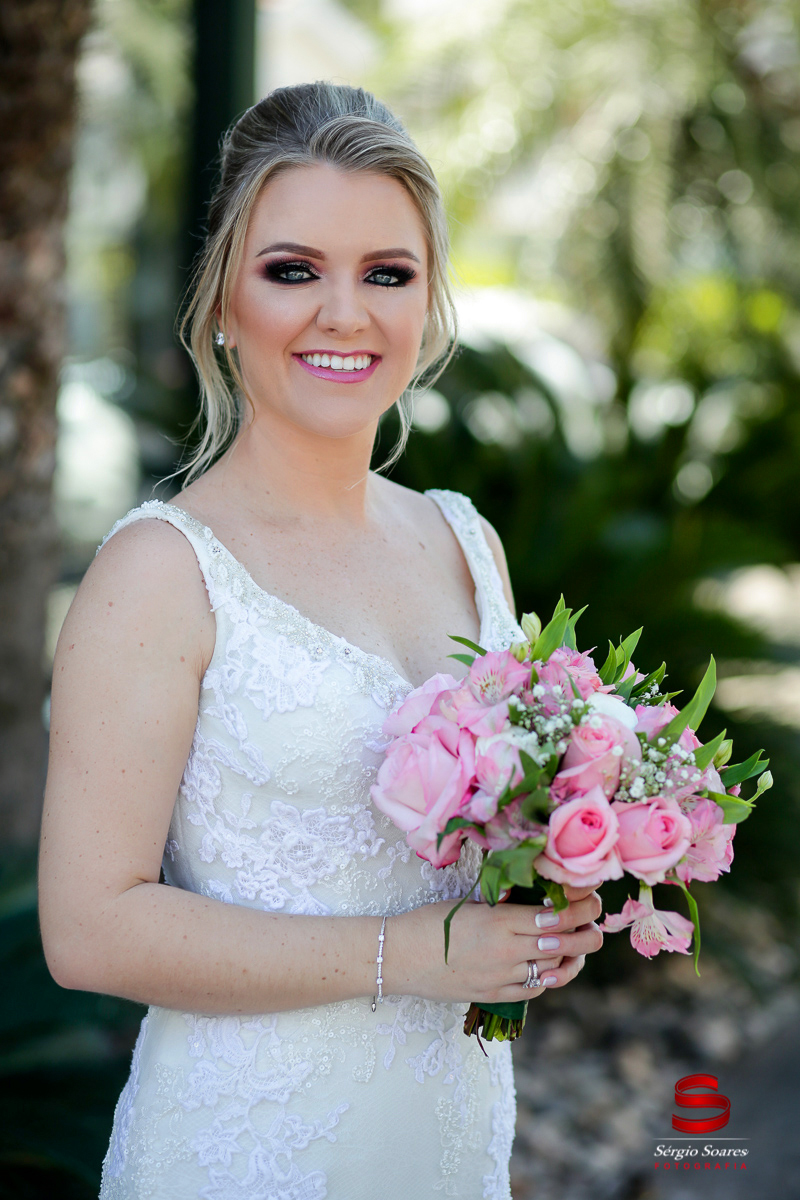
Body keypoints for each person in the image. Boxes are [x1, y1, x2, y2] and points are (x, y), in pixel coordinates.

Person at [38, 82, 604, 1200]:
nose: (343, 314)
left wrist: (550, 898)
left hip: (444, 1137)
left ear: (426, 301)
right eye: (292, 270)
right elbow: (89, 929)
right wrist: (413, 957)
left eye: (384, 274)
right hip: (246, 1148)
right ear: (220, 303)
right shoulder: (161, 571)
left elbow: (484, 835)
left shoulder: (463, 538)